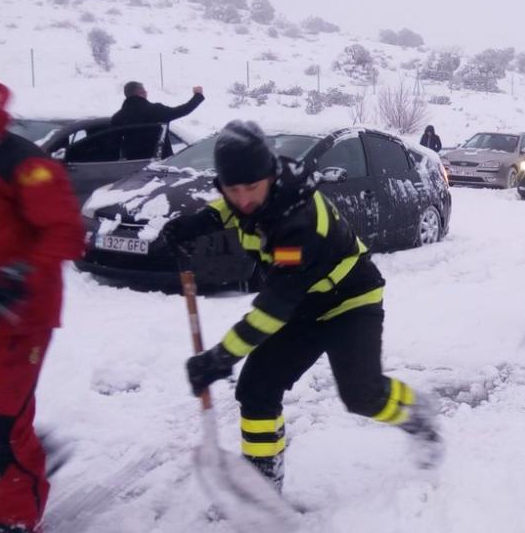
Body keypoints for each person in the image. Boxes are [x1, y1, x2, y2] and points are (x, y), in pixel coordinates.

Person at [160, 121, 443, 491]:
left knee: (363, 395)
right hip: (303, 304)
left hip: (349, 301)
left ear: (270, 177)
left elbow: (273, 308)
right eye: (233, 189)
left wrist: (221, 356)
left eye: (251, 187)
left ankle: (416, 414)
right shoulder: (258, 192)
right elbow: (238, 210)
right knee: (257, 389)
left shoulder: (299, 221)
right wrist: (198, 222)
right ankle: (262, 483)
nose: (243, 199)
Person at [0, 81, 85, 533]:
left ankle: (16, 518)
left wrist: (16, 277)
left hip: (18, 318)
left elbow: (66, 231)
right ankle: (32, 448)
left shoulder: (25, 164)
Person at [110, 81, 205, 159]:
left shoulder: (118, 118)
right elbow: (182, 110)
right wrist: (198, 96)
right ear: (141, 93)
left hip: (133, 167)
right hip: (161, 165)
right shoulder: (156, 110)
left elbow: (114, 146)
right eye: (145, 91)